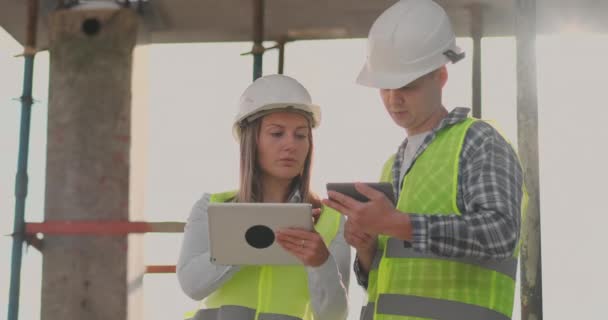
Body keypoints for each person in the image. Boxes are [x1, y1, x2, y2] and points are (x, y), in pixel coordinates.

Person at [322, 0, 526, 319]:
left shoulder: (478, 141)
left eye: (408, 86)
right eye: (385, 87)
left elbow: (499, 233)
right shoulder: (393, 164)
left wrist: (396, 223)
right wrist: (367, 248)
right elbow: (383, 281)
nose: (394, 99)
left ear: (441, 76)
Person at [177, 74, 350, 320]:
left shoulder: (330, 221)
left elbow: (335, 316)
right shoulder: (211, 207)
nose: (290, 145)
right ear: (251, 141)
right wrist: (250, 237)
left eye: (300, 135)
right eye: (277, 133)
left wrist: (321, 262)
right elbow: (192, 285)